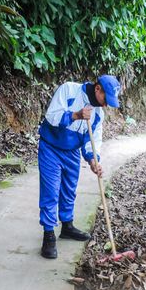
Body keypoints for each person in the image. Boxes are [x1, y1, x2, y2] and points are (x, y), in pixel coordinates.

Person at [37, 74, 121, 259]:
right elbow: (51, 117)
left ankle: (67, 226)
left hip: (72, 152)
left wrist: (93, 160)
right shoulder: (69, 90)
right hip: (51, 147)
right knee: (51, 191)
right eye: (106, 99)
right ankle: (49, 234)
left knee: (69, 190)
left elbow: (93, 140)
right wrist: (76, 115)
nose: (106, 105)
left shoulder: (98, 114)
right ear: (97, 89)